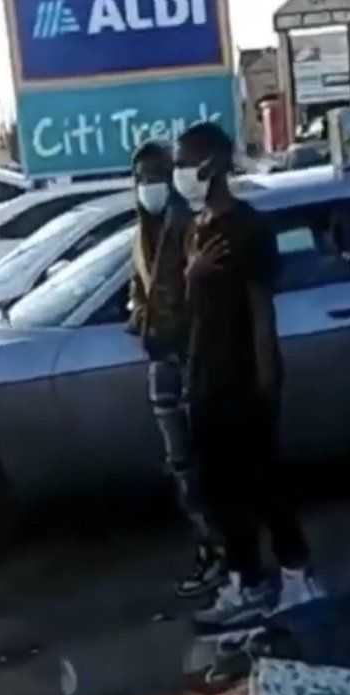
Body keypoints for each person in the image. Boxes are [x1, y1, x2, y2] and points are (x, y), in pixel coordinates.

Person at [173, 122, 322, 631]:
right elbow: (192, 305)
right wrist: (192, 275)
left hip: (243, 377)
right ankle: (247, 582)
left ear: (211, 164)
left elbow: (261, 309)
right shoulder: (196, 230)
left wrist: (266, 379)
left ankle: (298, 578)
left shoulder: (249, 229)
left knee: (264, 484)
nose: (179, 172)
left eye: (185, 160)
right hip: (204, 376)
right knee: (220, 490)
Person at [128, 140, 224, 597]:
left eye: (157, 177)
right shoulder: (141, 228)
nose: (150, 186)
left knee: (202, 463)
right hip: (160, 357)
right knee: (180, 464)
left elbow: (207, 291)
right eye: (143, 178)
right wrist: (138, 312)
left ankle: (223, 554)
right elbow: (139, 286)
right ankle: (210, 549)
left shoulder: (187, 224)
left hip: (190, 356)